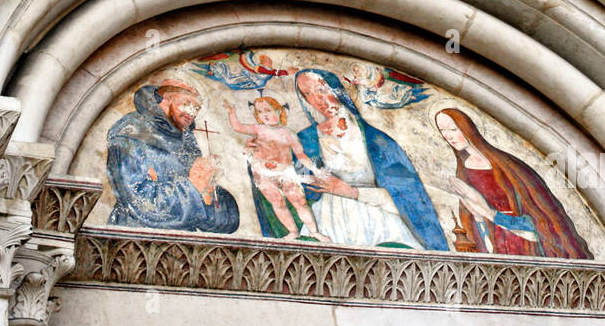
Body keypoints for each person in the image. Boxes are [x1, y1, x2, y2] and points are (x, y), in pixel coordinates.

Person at [281, 68, 449, 251]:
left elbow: (407, 196)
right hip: (328, 221)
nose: (317, 100)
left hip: (378, 221)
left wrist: (351, 192)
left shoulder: (376, 140)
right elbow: (297, 187)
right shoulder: (305, 140)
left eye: (322, 89)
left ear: (337, 90)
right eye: (307, 94)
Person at [434, 108, 591, 258]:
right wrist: (478, 216)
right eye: (443, 131)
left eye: (453, 129)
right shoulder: (463, 172)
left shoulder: (509, 166)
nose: (448, 136)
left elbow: (544, 219)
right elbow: (472, 225)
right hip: (495, 245)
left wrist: (490, 213)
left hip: (526, 246)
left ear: (467, 128)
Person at [106, 79, 239, 233]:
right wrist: (195, 185)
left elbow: (203, 207)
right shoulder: (132, 130)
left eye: (197, 108)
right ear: (165, 99)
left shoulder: (186, 140)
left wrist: (208, 193)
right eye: (187, 102)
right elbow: (139, 201)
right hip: (137, 238)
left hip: (184, 242)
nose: (192, 112)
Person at [225, 96, 329, 242]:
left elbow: (300, 155)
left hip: (285, 171)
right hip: (262, 172)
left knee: (299, 201)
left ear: (279, 111)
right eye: (260, 112)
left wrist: (315, 170)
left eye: (268, 110)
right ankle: (293, 231)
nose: (264, 115)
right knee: (277, 201)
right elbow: (238, 127)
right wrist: (231, 113)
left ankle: (314, 232)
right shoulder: (258, 129)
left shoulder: (288, 133)